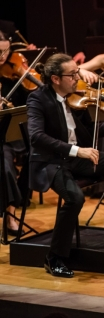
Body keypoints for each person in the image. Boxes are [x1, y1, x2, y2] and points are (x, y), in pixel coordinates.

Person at [27, 53, 104, 278]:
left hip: (77, 158)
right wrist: (76, 150)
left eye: (77, 72)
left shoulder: (74, 98)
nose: (77, 78)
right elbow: (36, 136)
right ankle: (54, 257)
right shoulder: (38, 99)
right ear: (55, 79)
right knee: (75, 198)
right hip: (52, 162)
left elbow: (92, 132)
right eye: (72, 74)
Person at [0, 31, 32, 236]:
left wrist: (25, 74)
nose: (2, 57)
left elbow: (32, 93)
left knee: (36, 151)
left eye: (5, 51)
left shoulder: (12, 70)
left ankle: (19, 195)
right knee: (5, 163)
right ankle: (10, 216)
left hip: (13, 130)